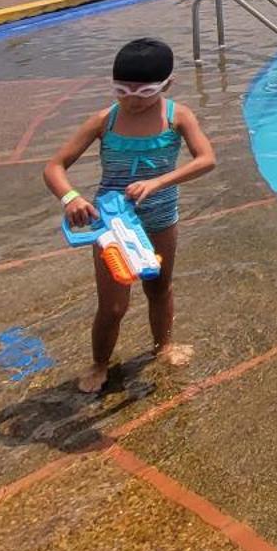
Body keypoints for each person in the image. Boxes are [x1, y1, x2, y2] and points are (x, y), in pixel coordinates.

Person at [43, 38, 215, 394]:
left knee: (159, 287)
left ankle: (163, 345)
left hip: (161, 217)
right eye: (121, 90)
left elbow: (206, 160)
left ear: (168, 84)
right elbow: (55, 166)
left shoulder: (177, 117)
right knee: (113, 305)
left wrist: (159, 182)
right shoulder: (105, 120)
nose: (132, 100)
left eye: (145, 92)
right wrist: (71, 198)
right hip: (112, 225)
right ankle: (99, 362)